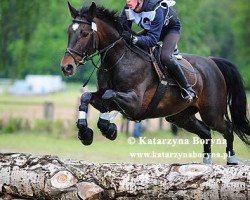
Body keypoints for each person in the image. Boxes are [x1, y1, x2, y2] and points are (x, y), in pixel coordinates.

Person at [121, 0, 196, 102]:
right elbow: (123, 29)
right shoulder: (128, 7)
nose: (128, 2)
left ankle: (187, 89)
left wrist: (134, 38)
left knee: (165, 57)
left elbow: (152, 40)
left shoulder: (156, 8)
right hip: (152, 29)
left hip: (170, 30)